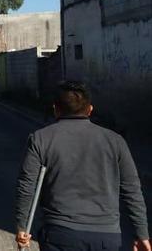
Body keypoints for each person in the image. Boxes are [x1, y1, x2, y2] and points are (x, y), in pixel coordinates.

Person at [15, 81, 150, 251]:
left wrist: (22, 226)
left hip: (59, 235)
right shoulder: (115, 141)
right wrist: (141, 234)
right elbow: (132, 190)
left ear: (55, 109)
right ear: (90, 109)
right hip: (106, 237)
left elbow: (27, 187)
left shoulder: (40, 139)